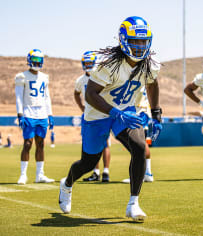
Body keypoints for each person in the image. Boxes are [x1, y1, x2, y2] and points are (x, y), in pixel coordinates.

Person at [59, 16, 162, 221]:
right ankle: (67, 183)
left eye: (144, 41)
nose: (140, 46)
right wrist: (114, 112)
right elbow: (90, 94)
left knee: (140, 147)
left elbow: (152, 84)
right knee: (88, 164)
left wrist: (157, 113)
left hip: (126, 112)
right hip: (98, 114)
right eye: (135, 41)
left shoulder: (150, 64)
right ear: (123, 40)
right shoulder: (109, 64)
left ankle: (133, 203)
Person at [15, 49, 54, 185]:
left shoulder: (44, 77)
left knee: (41, 143)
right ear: (29, 60)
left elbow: (47, 97)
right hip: (28, 112)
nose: (37, 63)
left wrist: (50, 114)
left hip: (42, 113)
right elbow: (19, 97)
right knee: (27, 143)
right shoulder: (21, 76)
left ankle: (40, 175)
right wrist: (20, 114)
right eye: (35, 60)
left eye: (39, 61)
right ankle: (23, 174)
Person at [74, 51, 112, 182]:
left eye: (91, 62)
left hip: (102, 114)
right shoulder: (80, 80)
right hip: (89, 116)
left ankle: (106, 171)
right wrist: (82, 108)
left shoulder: (101, 76)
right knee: (91, 144)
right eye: (87, 63)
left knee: (105, 143)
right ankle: (96, 172)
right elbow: (76, 93)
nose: (88, 65)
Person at [123, 86, 154, 183]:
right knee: (141, 142)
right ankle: (147, 172)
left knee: (138, 143)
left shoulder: (137, 75)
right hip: (142, 110)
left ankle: (141, 174)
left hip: (138, 110)